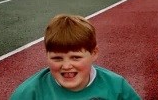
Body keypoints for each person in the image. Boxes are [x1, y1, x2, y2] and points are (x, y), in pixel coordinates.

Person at [10, 14, 140, 100]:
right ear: (47, 55)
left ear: (94, 53)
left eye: (75, 57)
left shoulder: (117, 87)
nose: (66, 66)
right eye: (57, 58)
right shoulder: (28, 94)